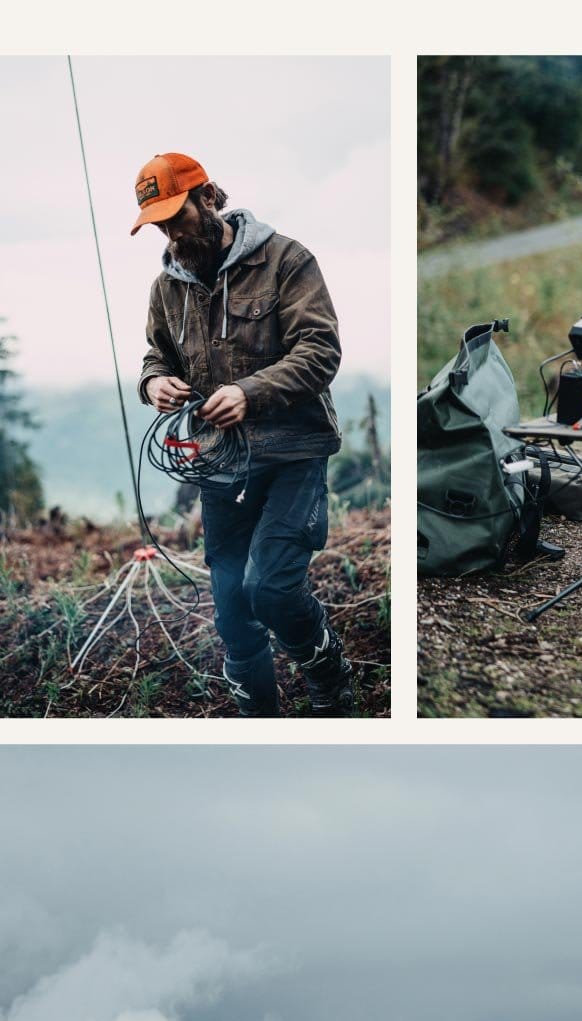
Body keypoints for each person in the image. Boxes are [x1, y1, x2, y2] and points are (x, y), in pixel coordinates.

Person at [132, 151, 354, 717]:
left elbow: (320, 351)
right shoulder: (167, 287)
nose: (171, 233)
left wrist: (251, 392)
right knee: (232, 608)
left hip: (292, 454)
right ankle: (261, 719)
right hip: (219, 466)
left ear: (209, 197)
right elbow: (157, 357)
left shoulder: (286, 260)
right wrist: (155, 383)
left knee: (272, 589)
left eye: (176, 216)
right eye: (158, 223)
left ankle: (328, 672)